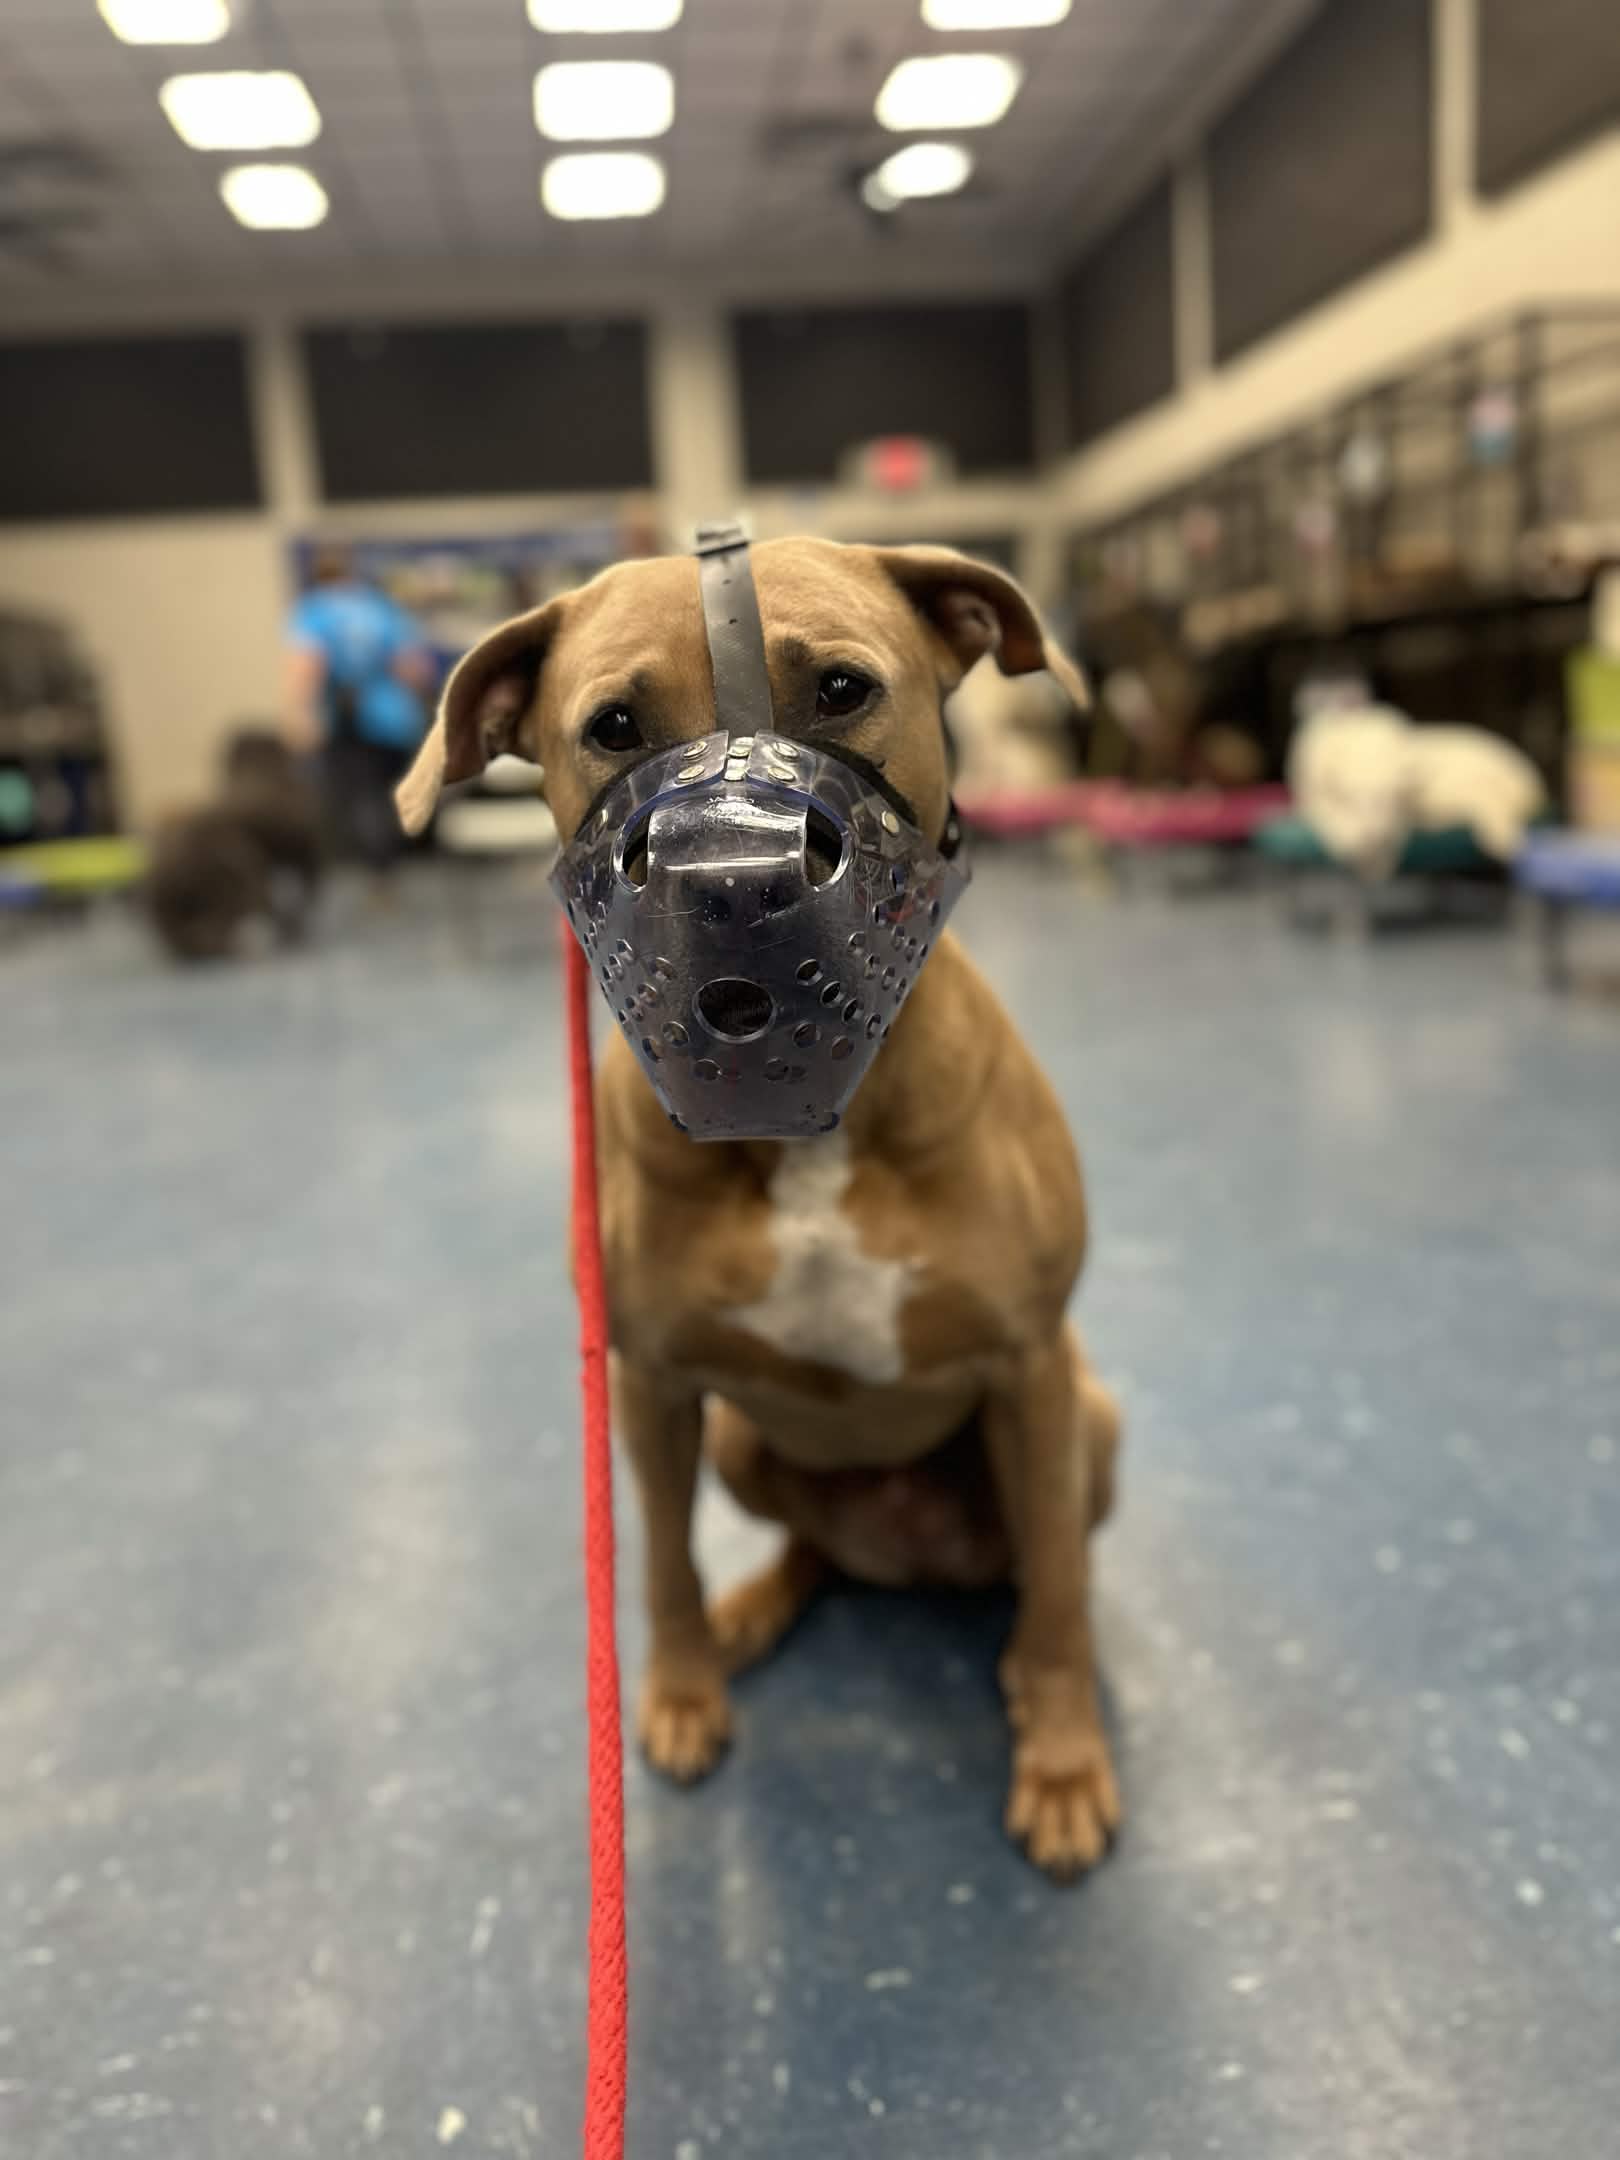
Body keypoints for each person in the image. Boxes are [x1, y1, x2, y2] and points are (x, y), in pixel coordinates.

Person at [282, 544, 436, 878]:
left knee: (360, 797)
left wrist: (300, 714)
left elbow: (308, 665)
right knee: (390, 792)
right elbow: (414, 669)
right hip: (395, 718)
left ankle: (378, 871)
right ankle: (393, 864)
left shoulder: (314, 610)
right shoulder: (381, 608)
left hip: (348, 720)